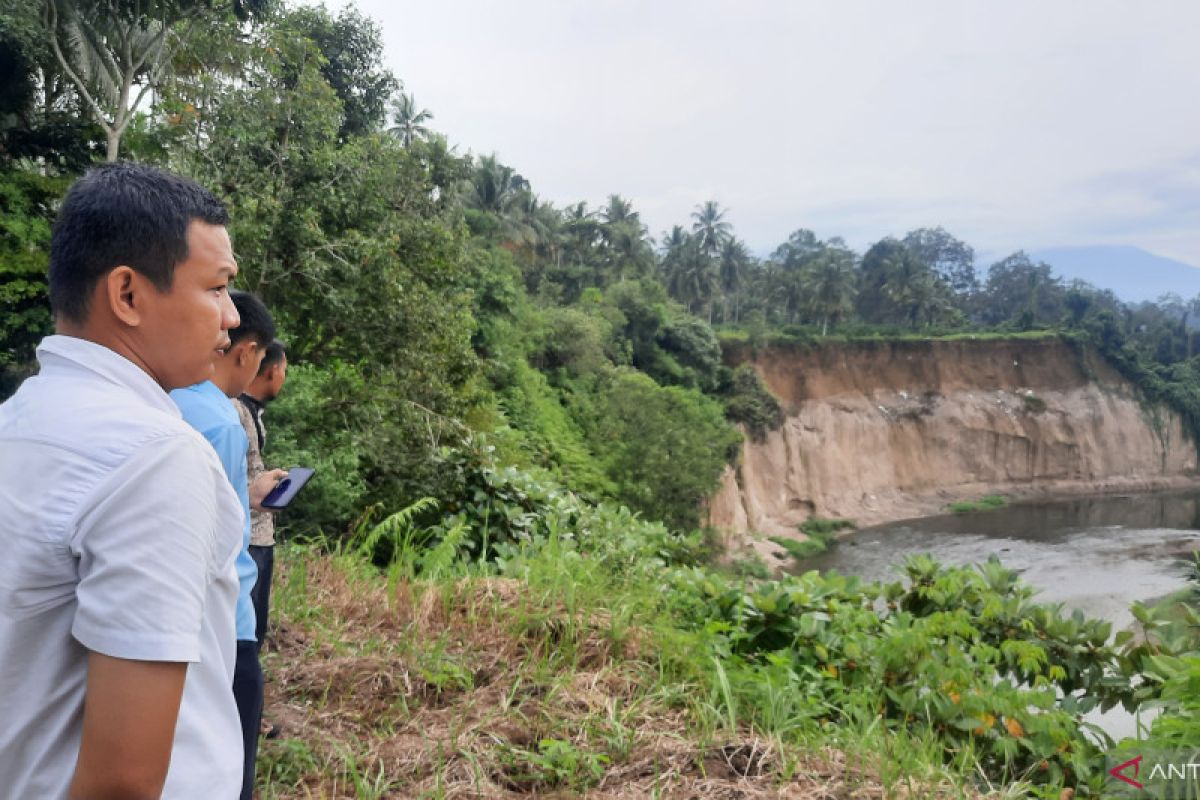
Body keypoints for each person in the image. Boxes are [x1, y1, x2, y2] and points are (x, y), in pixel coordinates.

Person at [0, 162, 245, 798]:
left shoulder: (18, 423)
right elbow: (124, 782)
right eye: (216, 289)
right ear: (128, 295)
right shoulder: (154, 457)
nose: (231, 319)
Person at [172, 292, 287, 800]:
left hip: (175, 620)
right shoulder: (220, 420)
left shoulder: (169, 397)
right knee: (232, 766)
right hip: (224, 625)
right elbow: (216, 539)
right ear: (247, 352)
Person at [238, 339, 288, 651]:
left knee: (255, 628)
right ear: (271, 371)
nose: (284, 378)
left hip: (260, 534)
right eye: (284, 370)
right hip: (247, 537)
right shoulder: (233, 412)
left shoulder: (252, 412)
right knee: (245, 636)